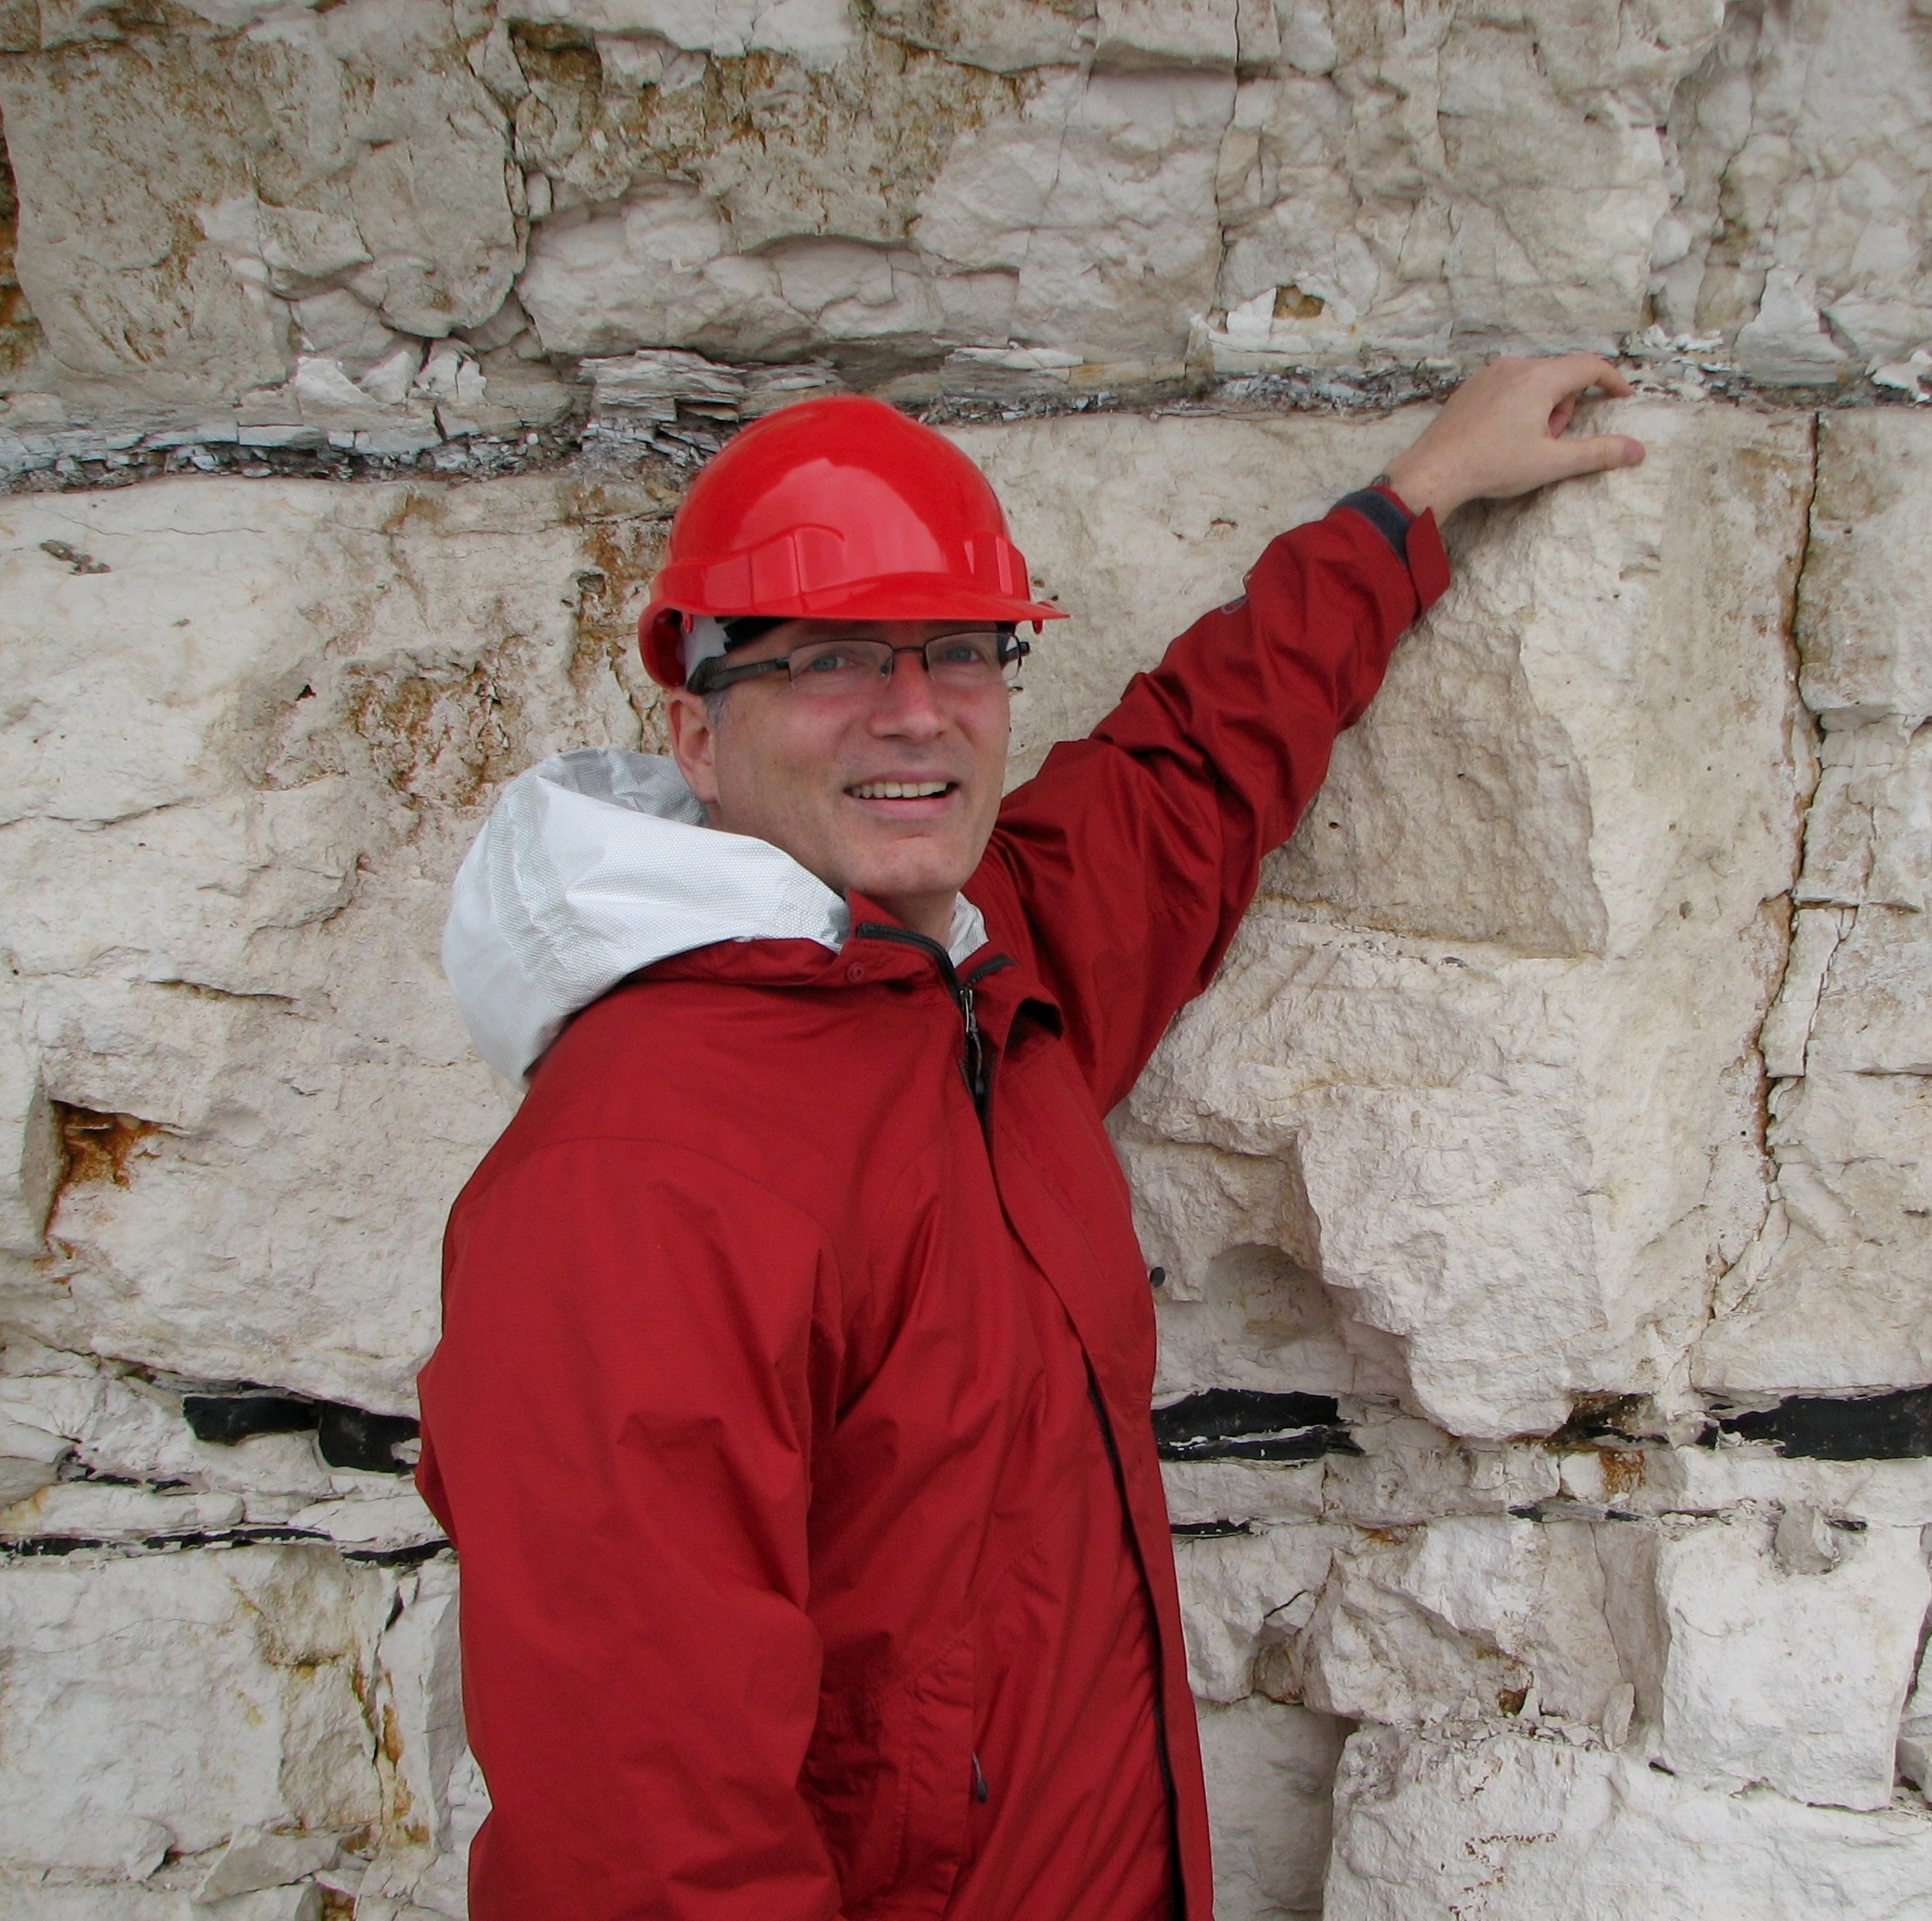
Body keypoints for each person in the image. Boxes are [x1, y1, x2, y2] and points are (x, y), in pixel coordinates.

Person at [416, 354, 1644, 1921]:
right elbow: (640, 1847)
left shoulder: (975, 990)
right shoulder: (635, 1177)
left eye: (960, 654)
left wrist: (1414, 504)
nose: (915, 711)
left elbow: (1183, 780)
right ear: (699, 726)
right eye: (834, 660)